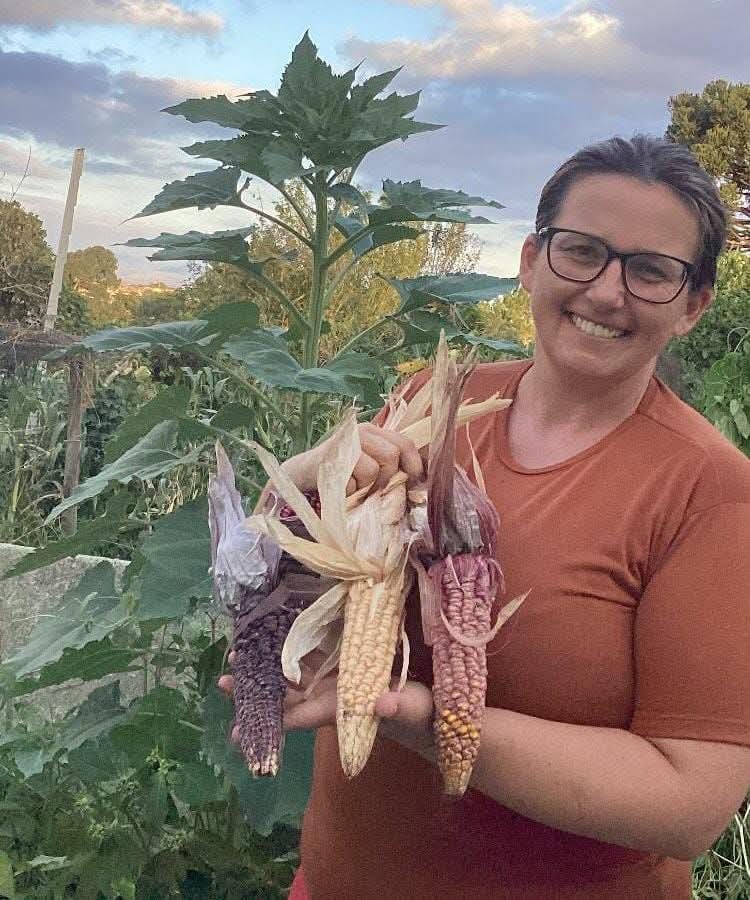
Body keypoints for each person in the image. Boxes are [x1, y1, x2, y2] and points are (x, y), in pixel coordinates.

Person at [220, 135, 750, 899]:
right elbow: (309, 592)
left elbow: (688, 804)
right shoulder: (428, 405)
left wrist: (427, 721)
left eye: (650, 271)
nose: (608, 292)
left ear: (692, 305)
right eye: (582, 251)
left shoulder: (712, 493)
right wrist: (298, 497)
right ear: (532, 261)